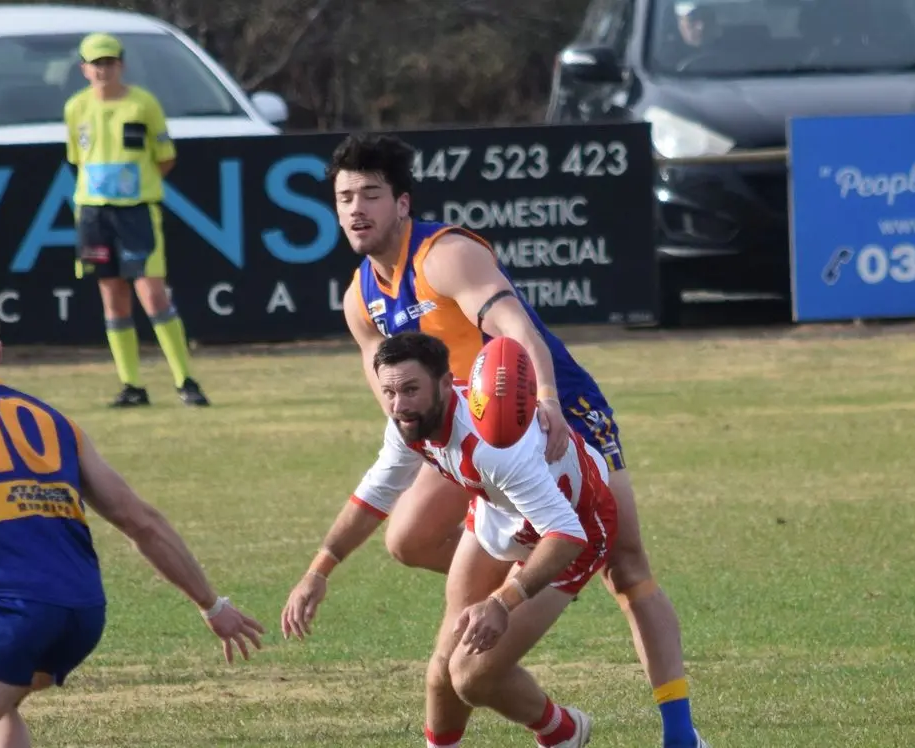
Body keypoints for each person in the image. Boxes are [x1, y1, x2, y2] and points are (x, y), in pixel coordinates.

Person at [285, 132, 703, 746]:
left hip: (556, 409)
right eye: (345, 196)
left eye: (370, 194)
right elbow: (391, 396)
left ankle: (680, 732)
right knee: (406, 538)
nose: (355, 209)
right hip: (470, 433)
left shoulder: (444, 255)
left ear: (402, 203)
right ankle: (539, 566)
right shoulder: (360, 298)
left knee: (627, 564)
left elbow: (513, 324)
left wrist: (551, 402)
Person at [0, 293, 263, 747]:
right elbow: (140, 520)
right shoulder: (54, 421)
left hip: (12, 608)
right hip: (82, 612)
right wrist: (211, 604)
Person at [286, 332, 639, 747]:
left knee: (471, 676)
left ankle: (562, 731)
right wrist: (319, 569)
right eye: (389, 392)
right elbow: (374, 495)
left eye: (411, 389)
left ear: (443, 382)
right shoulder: (408, 422)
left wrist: (502, 601)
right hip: (498, 515)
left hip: (573, 528)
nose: (399, 405)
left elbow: (566, 535)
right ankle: (559, 732)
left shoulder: (494, 446)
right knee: (441, 672)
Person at [65, 32, 209, 408]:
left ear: (121, 65)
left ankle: (185, 380)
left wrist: (135, 187)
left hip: (137, 210)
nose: (103, 70)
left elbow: (165, 157)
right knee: (113, 297)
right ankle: (132, 385)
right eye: (96, 63)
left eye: (110, 62)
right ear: (84, 68)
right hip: (94, 211)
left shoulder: (144, 104)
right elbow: (75, 158)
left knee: (153, 294)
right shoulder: (75, 107)